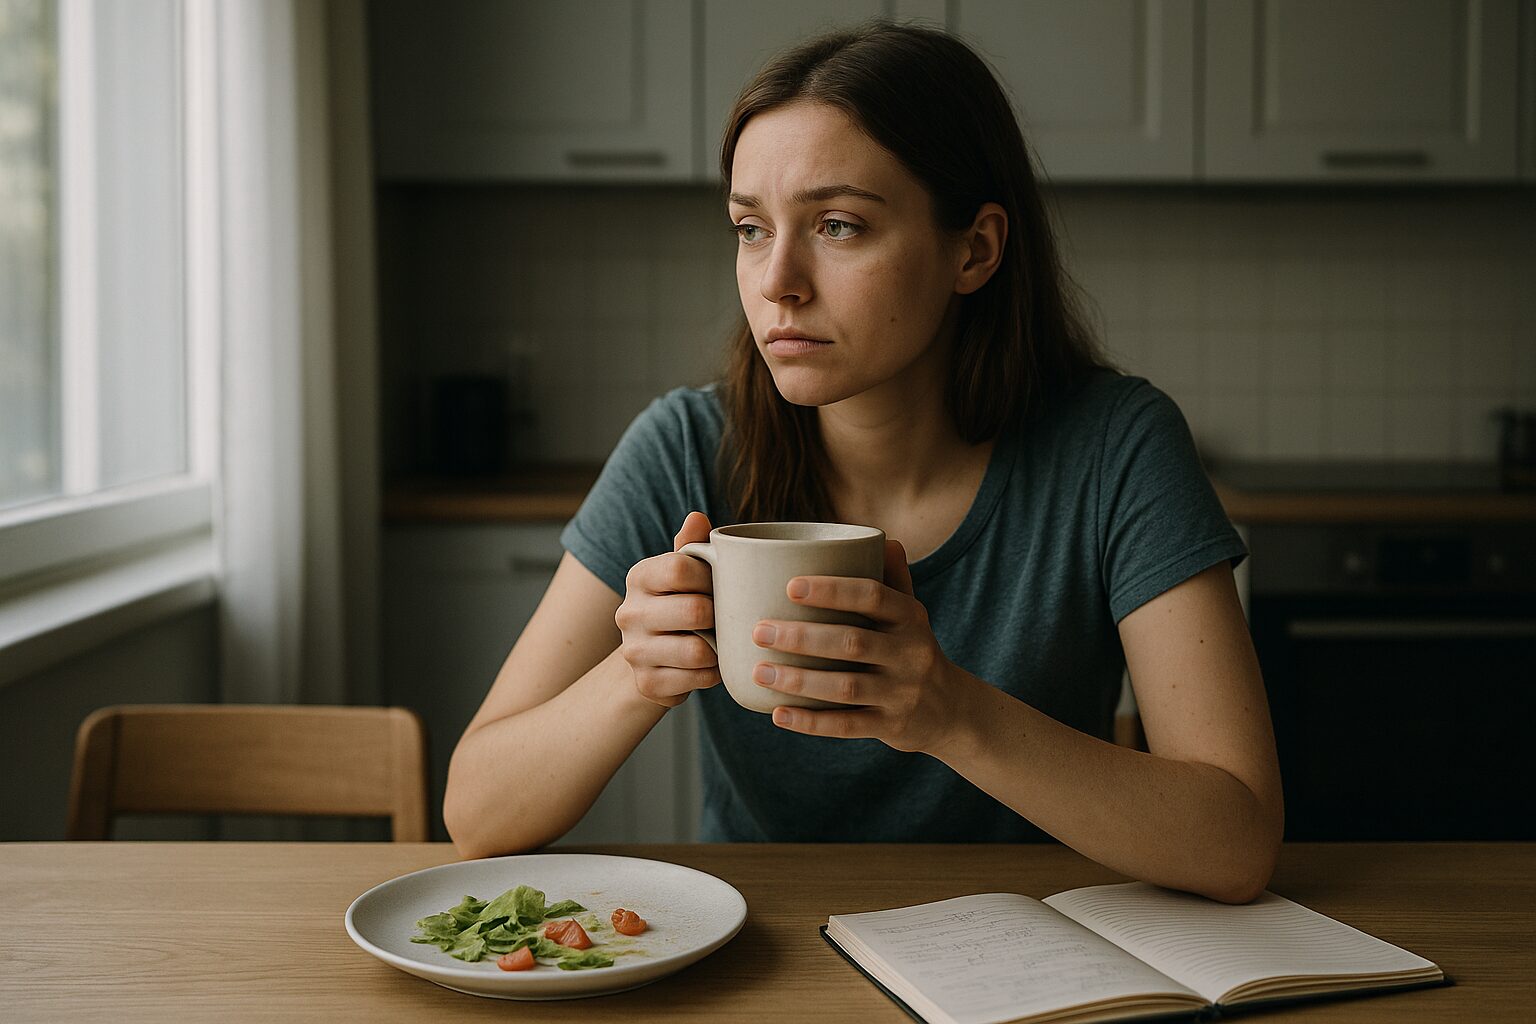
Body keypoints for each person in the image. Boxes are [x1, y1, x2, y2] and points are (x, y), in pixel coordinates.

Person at [443, 21, 1282, 904]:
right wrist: (635, 676)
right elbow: (477, 814)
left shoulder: (1116, 447)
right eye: (750, 229)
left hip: (1033, 953)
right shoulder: (686, 449)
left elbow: (1237, 843)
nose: (777, 281)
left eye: (838, 225)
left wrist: (949, 714)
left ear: (975, 250)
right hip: (764, 947)